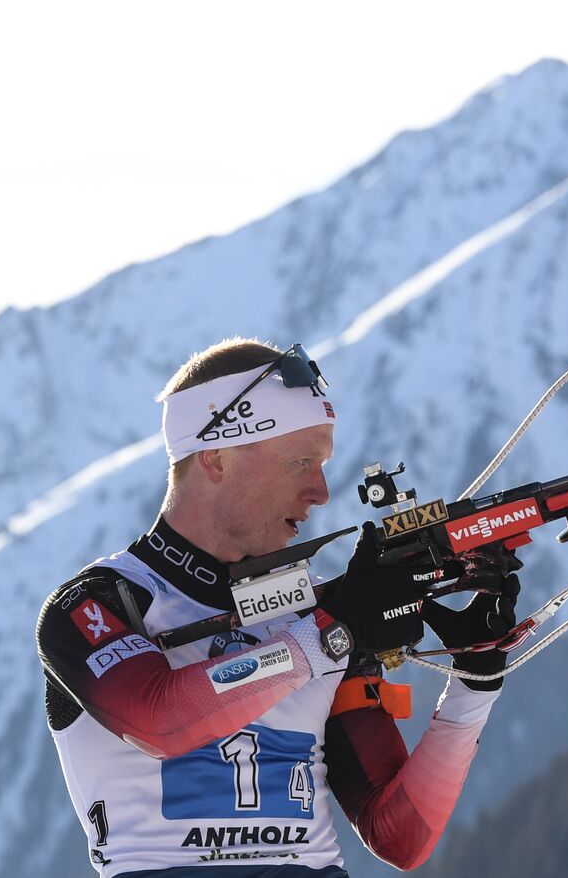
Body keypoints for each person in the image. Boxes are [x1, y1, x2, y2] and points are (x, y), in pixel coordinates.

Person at [36, 338, 520, 877]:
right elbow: (162, 722)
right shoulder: (97, 602)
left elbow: (400, 836)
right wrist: (333, 634)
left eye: (323, 462)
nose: (321, 491)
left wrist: (474, 683)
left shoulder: (318, 610)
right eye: (301, 462)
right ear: (215, 457)